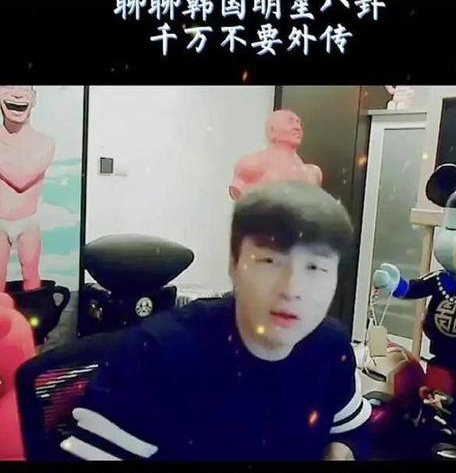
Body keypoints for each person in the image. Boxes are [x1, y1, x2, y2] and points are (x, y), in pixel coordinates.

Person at [59, 181, 371, 461]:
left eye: (315, 268)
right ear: (234, 264)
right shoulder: (155, 355)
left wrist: (340, 449)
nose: (292, 289)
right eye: (270, 261)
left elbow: (351, 430)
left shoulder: (329, 346)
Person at [0, 85, 55, 292]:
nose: (16, 94)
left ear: (34, 98)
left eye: (23, 87)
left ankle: (32, 311)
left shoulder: (45, 143)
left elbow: (21, 179)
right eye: (9, 87)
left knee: (31, 275)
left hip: (28, 222)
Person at [229, 109, 323, 200]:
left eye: (298, 123)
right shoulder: (252, 164)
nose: (297, 127)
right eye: (290, 122)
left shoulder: (312, 173)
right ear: (272, 130)